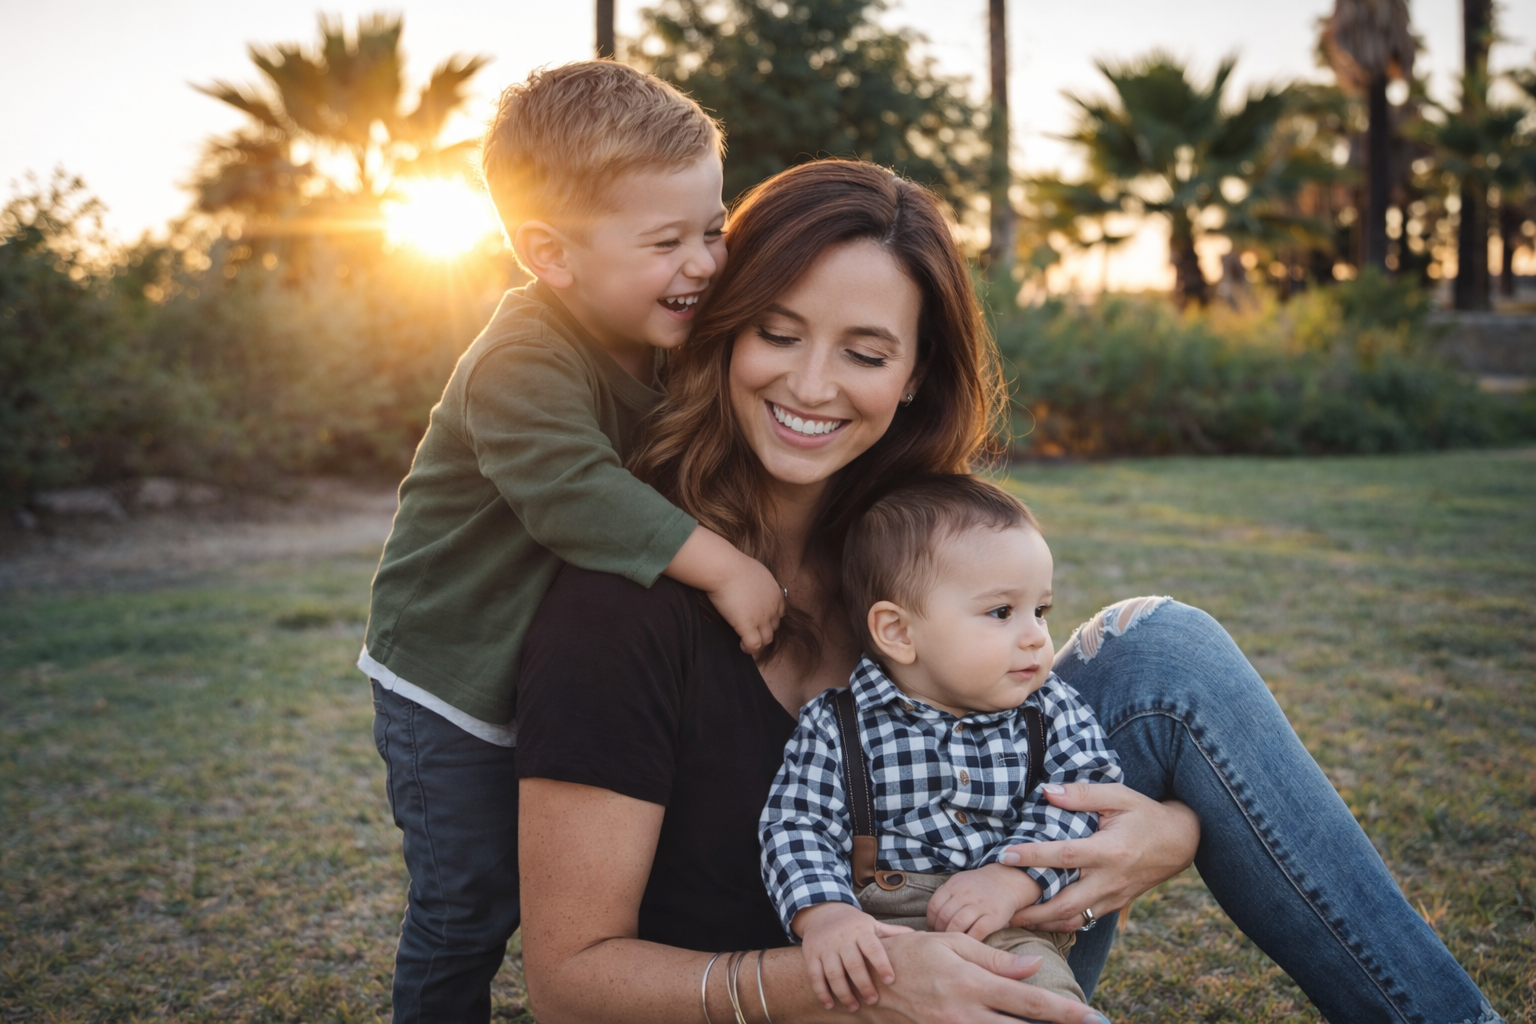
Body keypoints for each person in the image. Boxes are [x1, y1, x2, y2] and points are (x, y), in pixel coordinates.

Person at [514, 159, 1504, 1024]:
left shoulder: (912, 555)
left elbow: (1046, 744)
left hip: (990, 943)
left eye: (865, 352)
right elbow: (566, 986)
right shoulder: (624, 604)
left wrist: (1173, 832)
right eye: (777, 333)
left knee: (1164, 652)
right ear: (724, 332)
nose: (813, 385)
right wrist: (853, 984)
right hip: (807, 997)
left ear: (914, 375)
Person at [361, 61, 788, 1021]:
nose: (704, 263)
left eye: (713, 229)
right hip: (452, 682)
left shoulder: (663, 337)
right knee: (468, 903)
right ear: (551, 255)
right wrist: (725, 567)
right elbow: (575, 495)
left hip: (555, 674)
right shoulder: (522, 359)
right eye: (666, 241)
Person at [761, 475, 1122, 1013]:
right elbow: (797, 825)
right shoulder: (838, 725)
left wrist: (1012, 879)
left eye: (1040, 611)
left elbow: (1085, 799)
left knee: (1044, 1003)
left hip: (1006, 931)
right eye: (1002, 612)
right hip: (878, 937)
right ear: (898, 632)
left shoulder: (1049, 708)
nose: (1035, 636)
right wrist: (826, 914)